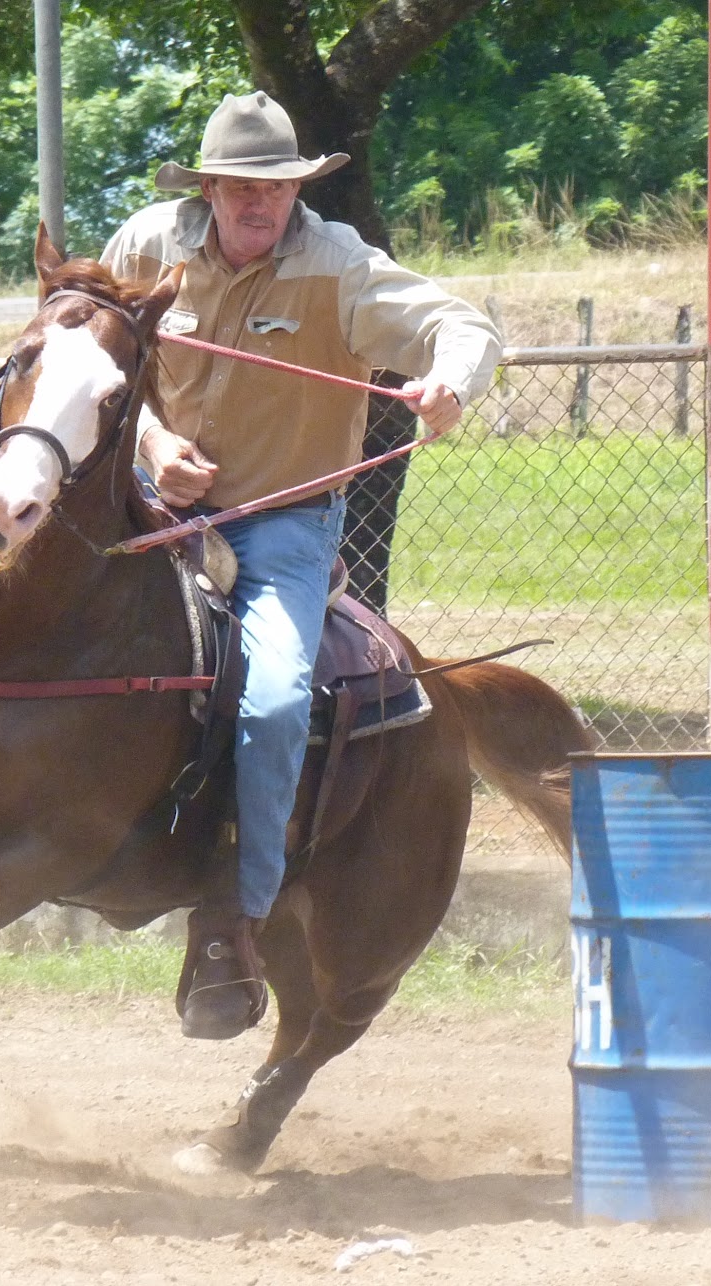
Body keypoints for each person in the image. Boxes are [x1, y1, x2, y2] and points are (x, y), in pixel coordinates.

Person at [101, 90, 503, 1040]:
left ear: (296, 193)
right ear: (207, 187)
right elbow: (87, 353)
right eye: (243, 187)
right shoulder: (146, 247)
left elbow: (462, 326)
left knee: (276, 697)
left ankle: (234, 921)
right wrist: (152, 445)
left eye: (277, 189)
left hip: (281, 528)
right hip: (144, 504)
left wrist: (450, 383)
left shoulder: (338, 267)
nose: (260, 205)